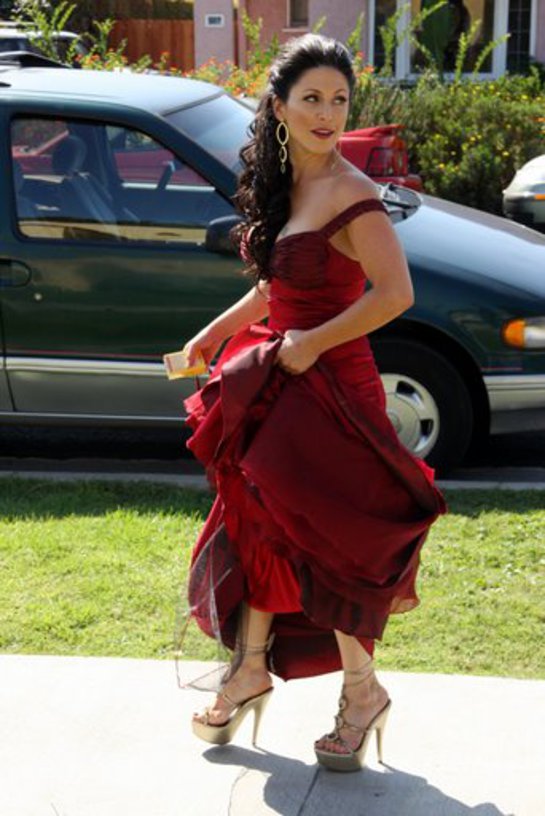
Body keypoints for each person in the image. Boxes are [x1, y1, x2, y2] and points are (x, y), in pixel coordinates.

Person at [180, 33, 446, 772]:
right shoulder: (287, 185)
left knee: (334, 546)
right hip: (277, 382)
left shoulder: (354, 194)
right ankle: (250, 667)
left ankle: (361, 696)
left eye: (338, 100)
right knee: (260, 524)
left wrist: (314, 342)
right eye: (312, 99)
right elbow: (276, 287)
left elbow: (395, 297)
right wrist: (213, 332)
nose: (327, 114)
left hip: (334, 392)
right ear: (279, 107)